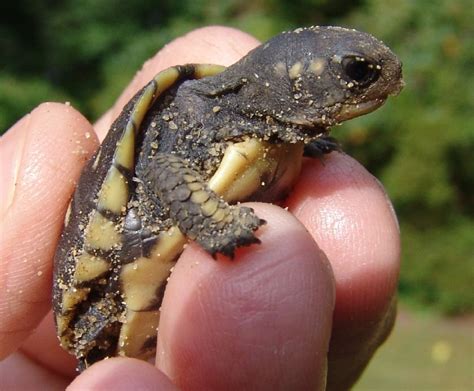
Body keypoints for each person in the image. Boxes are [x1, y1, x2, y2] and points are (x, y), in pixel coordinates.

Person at [0, 26, 400, 390]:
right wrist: (213, 223)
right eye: (358, 72)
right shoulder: (192, 110)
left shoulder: (273, 131)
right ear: (297, 82)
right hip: (110, 286)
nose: (386, 79)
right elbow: (162, 167)